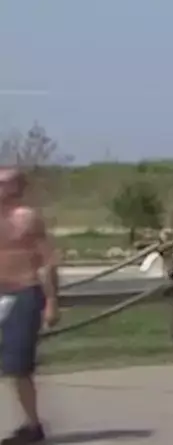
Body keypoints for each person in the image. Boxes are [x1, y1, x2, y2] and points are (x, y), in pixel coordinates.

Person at [0, 169, 58, 445]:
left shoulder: (27, 219)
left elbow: (47, 262)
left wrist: (52, 302)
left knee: (18, 366)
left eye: (4, 183)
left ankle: (33, 425)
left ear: (17, 188)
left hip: (24, 292)